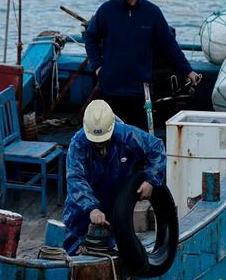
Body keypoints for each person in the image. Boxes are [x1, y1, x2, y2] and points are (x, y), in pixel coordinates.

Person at [84, 0, 202, 131]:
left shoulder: (152, 13)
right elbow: (90, 37)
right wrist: (97, 66)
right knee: (108, 136)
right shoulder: (107, 10)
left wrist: (188, 72)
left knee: (138, 138)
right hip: (110, 88)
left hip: (139, 91)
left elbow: (169, 46)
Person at [63, 99, 166, 256]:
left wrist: (150, 180)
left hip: (115, 201)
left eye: (103, 141)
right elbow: (75, 178)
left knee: (110, 248)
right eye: (95, 141)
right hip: (81, 208)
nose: (99, 145)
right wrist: (91, 208)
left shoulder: (126, 135)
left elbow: (156, 148)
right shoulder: (78, 144)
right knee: (74, 251)